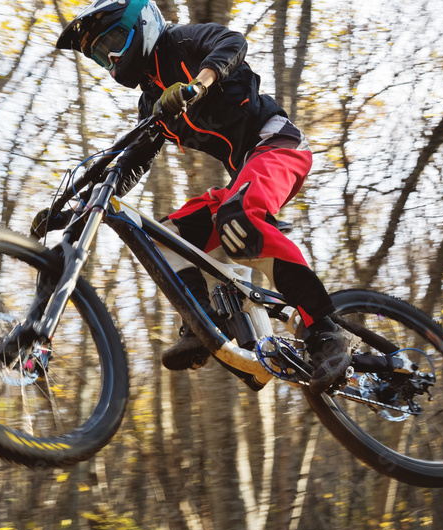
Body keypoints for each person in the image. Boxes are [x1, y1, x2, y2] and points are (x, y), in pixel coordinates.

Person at [48, 0, 355, 394]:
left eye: (112, 41)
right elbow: (129, 165)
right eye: (98, 54)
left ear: (141, 22)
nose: (109, 58)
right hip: (243, 173)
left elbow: (233, 42)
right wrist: (72, 208)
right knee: (163, 237)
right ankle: (201, 325)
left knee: (237, 218)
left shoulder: (182, 42)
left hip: (278, 145)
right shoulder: (151, 103)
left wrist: (198, 84)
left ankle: (326, 333)